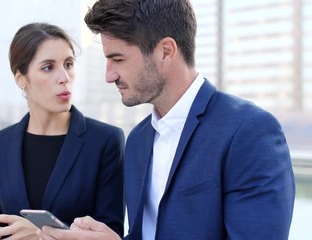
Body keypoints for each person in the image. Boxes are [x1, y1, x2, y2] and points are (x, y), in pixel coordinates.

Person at [39, 0, 296, 239]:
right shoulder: (139, 140)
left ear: (165, 51)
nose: (109, 75)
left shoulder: (249, 132)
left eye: (118, 59)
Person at [0, 22, 125, 240]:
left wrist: (40, 235)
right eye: (48, 67)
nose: (64, 77)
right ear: (20, 78)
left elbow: (111, 234)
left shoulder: (106, 141)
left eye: (68, 64)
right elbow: (3, 227)